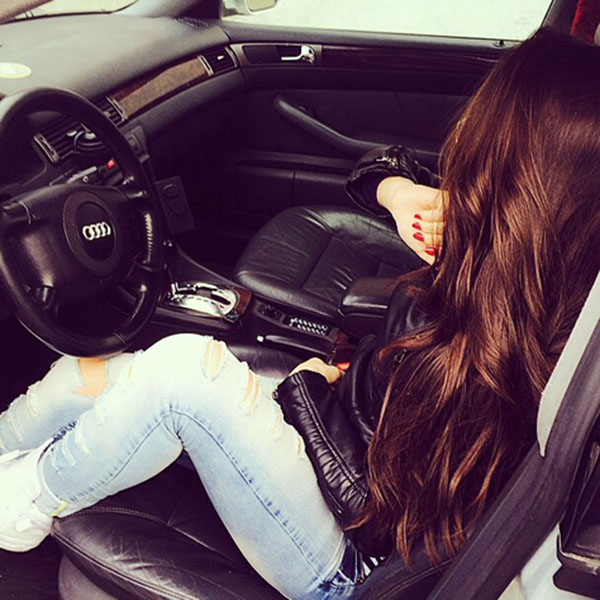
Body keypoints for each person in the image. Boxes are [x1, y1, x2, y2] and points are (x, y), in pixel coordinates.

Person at [1, 27, 599, 600]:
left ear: (524, 169)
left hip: (344, 559)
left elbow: (367, 507)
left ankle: (20, 506)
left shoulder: (509, 361)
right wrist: (399, 194)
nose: (469, 130)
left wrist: (305, 388)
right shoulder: (520, 269)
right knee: (91, 372)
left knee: (180, 377)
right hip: (345, 438)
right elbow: (379, 168)